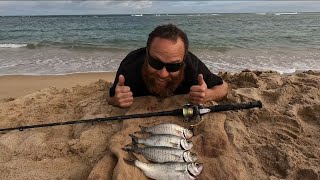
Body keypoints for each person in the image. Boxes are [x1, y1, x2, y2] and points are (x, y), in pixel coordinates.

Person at [108, 24, 228, 108]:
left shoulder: (192, 67)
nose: (163, 74)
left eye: (174, 66)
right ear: (146, 54)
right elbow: (111, 96)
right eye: (156, 63)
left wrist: (208, 95)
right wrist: (116, 100)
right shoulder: (130, 66)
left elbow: (223, 87)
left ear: (184, 59)